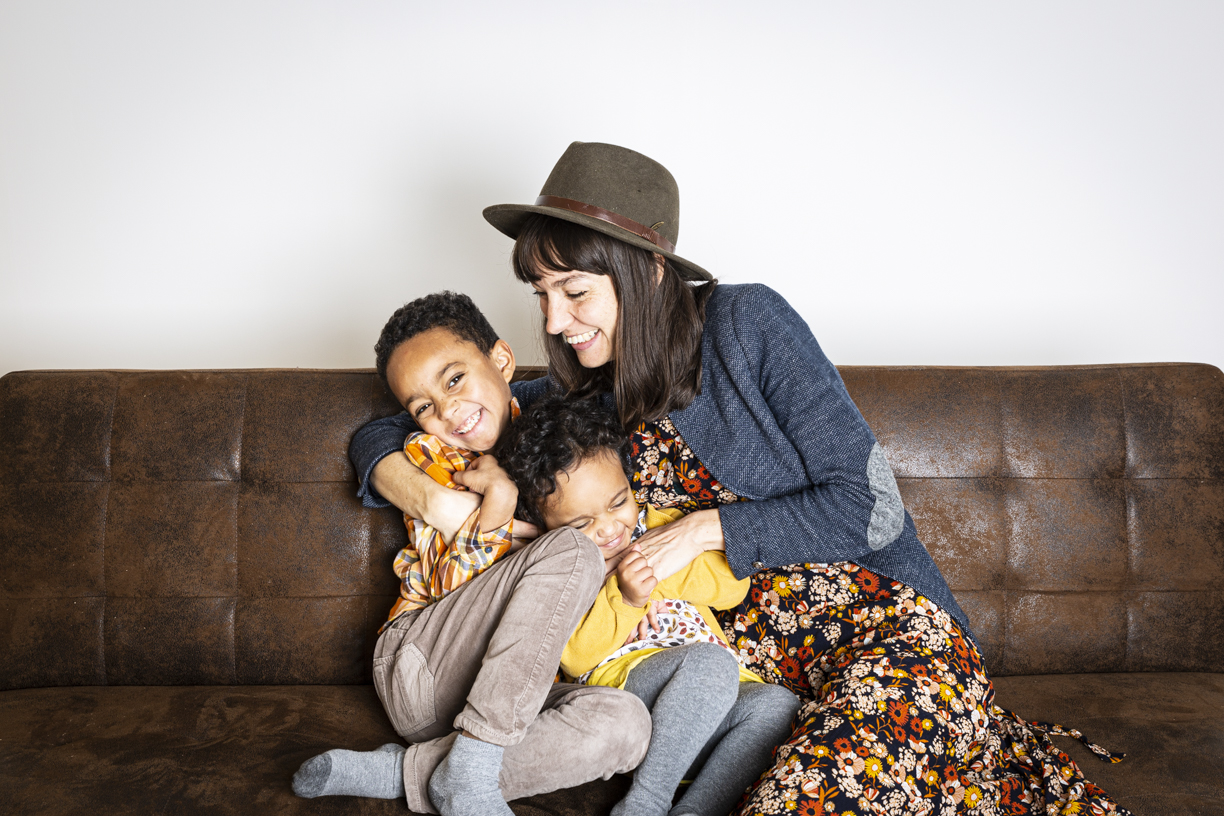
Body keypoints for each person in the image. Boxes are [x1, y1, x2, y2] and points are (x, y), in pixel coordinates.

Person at [350, 142, 1130, 815]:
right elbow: (387, 426)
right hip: (741, 667)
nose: (554, 322)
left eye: (575, 292)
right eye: (543, 296)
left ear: (649, 271)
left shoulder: (748, 325)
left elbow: (873, 508)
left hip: (877, 633)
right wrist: (438, 498)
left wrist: (703, 528)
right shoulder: (584, 395)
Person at [297, 291, 651, 816]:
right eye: (423, 406)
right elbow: (444, 581)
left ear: (502, 361)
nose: (447, 410)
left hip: (503, 692)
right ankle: (473, 774)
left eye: (455, 379)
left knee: (626, 726)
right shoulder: (435, 454)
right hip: (422, 662)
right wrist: (494, 501)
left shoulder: (556, 421)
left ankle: (409, 771)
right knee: (574, 549)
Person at [495, 394, 800, 816]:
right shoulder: (562, 565)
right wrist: (627, 597)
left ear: (629, 482)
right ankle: (645, 801)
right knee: (710, 663)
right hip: (632, 694)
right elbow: (574, 655)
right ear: (545, 525)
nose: (607, 529)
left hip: (713, 707)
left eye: (618, 502)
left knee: (779, 705)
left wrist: (655, 569)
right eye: (580, 524)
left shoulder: (660, 526)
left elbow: (733, 589)